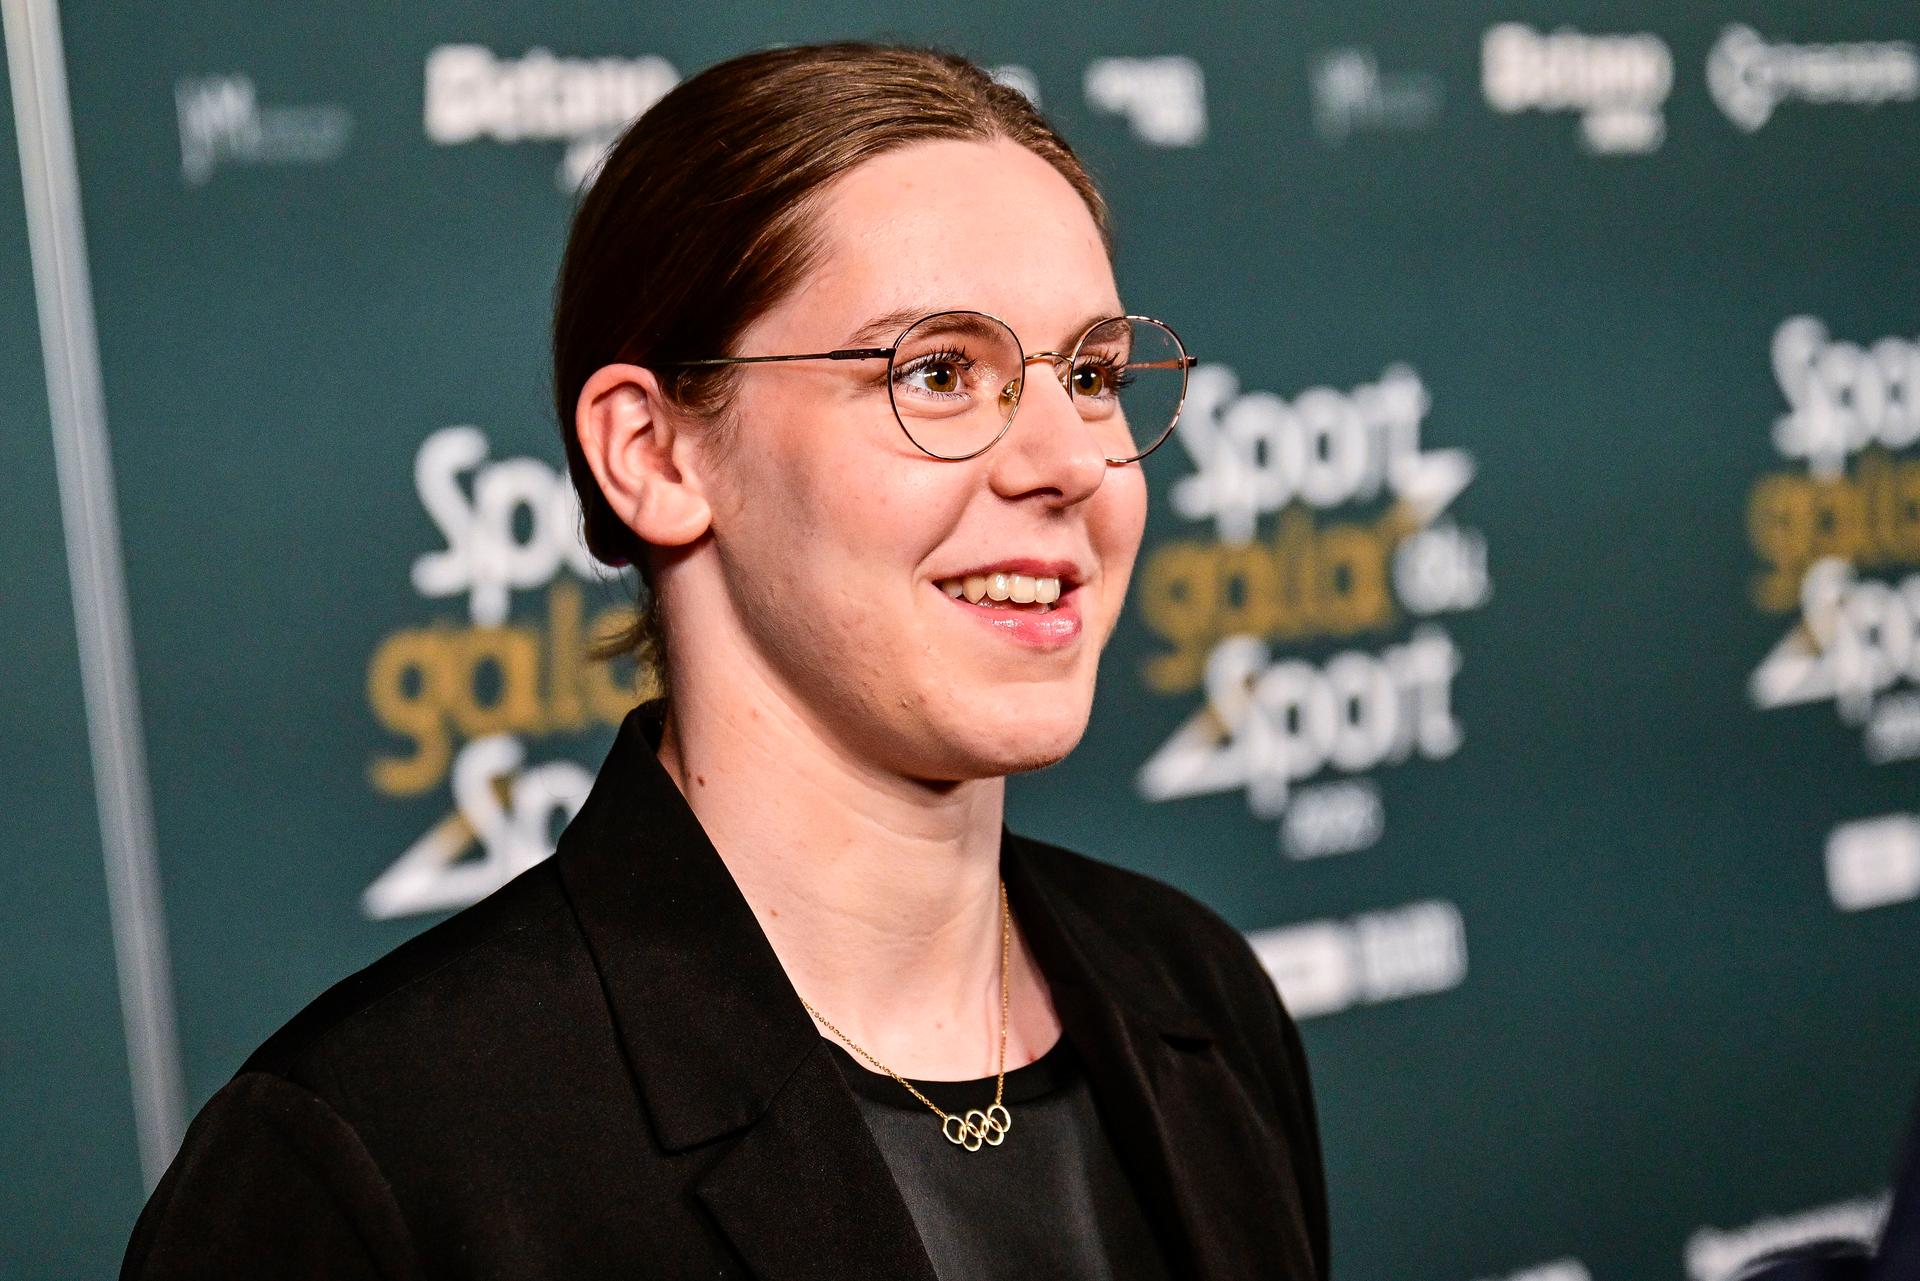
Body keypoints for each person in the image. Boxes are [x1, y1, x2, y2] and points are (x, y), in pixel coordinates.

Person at [122, 42, 1329, 1280]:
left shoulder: (1200, 999)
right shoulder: (373, 1161)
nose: (1070, 461)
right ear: (652, 454)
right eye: (938, 372)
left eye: (1091, 375)